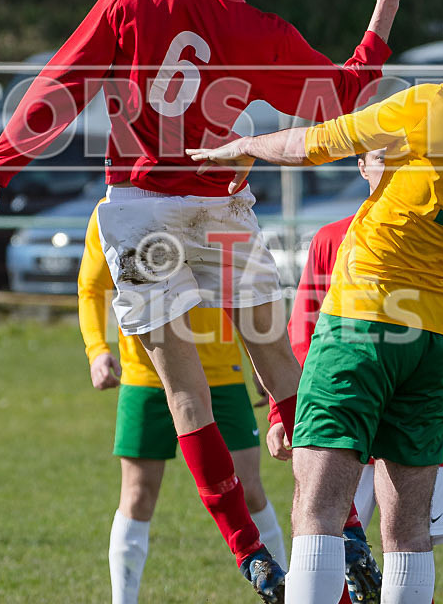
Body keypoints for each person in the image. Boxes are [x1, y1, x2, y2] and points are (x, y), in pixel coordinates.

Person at [0, 0, 420, 603]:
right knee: (283, 372)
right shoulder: (261, 32)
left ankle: (253, 557)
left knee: (184, 394)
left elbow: (62, 84)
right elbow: (346, 93)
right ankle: (344, 531)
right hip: (220, 210)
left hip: (141, 213)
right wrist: (386, 1)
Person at [186, 0, 443, 604]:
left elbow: (315, 142)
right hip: (437, 342)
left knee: (317, 509)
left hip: (363, 321)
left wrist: (242, 147)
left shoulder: (433, 106)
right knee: (406, 530)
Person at [268, 151, 443, 604]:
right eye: (382, 157)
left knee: (409, 539)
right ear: (361, 166)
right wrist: (285, 411)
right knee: (326, 533)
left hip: (422, 409)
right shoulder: (332, 238)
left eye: (407, 158)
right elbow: (303, 331)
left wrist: (422, 375)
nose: (395, 168)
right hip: (343, 406)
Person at [78, 200, 287, 604]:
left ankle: (283, 588)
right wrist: (97, 349)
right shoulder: (114, 205)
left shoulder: (212, 198)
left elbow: (242, 287)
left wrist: (261, 361)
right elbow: (92, 285)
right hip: (147, 376)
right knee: (137, 496)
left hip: (223, 375)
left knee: (250, 489)